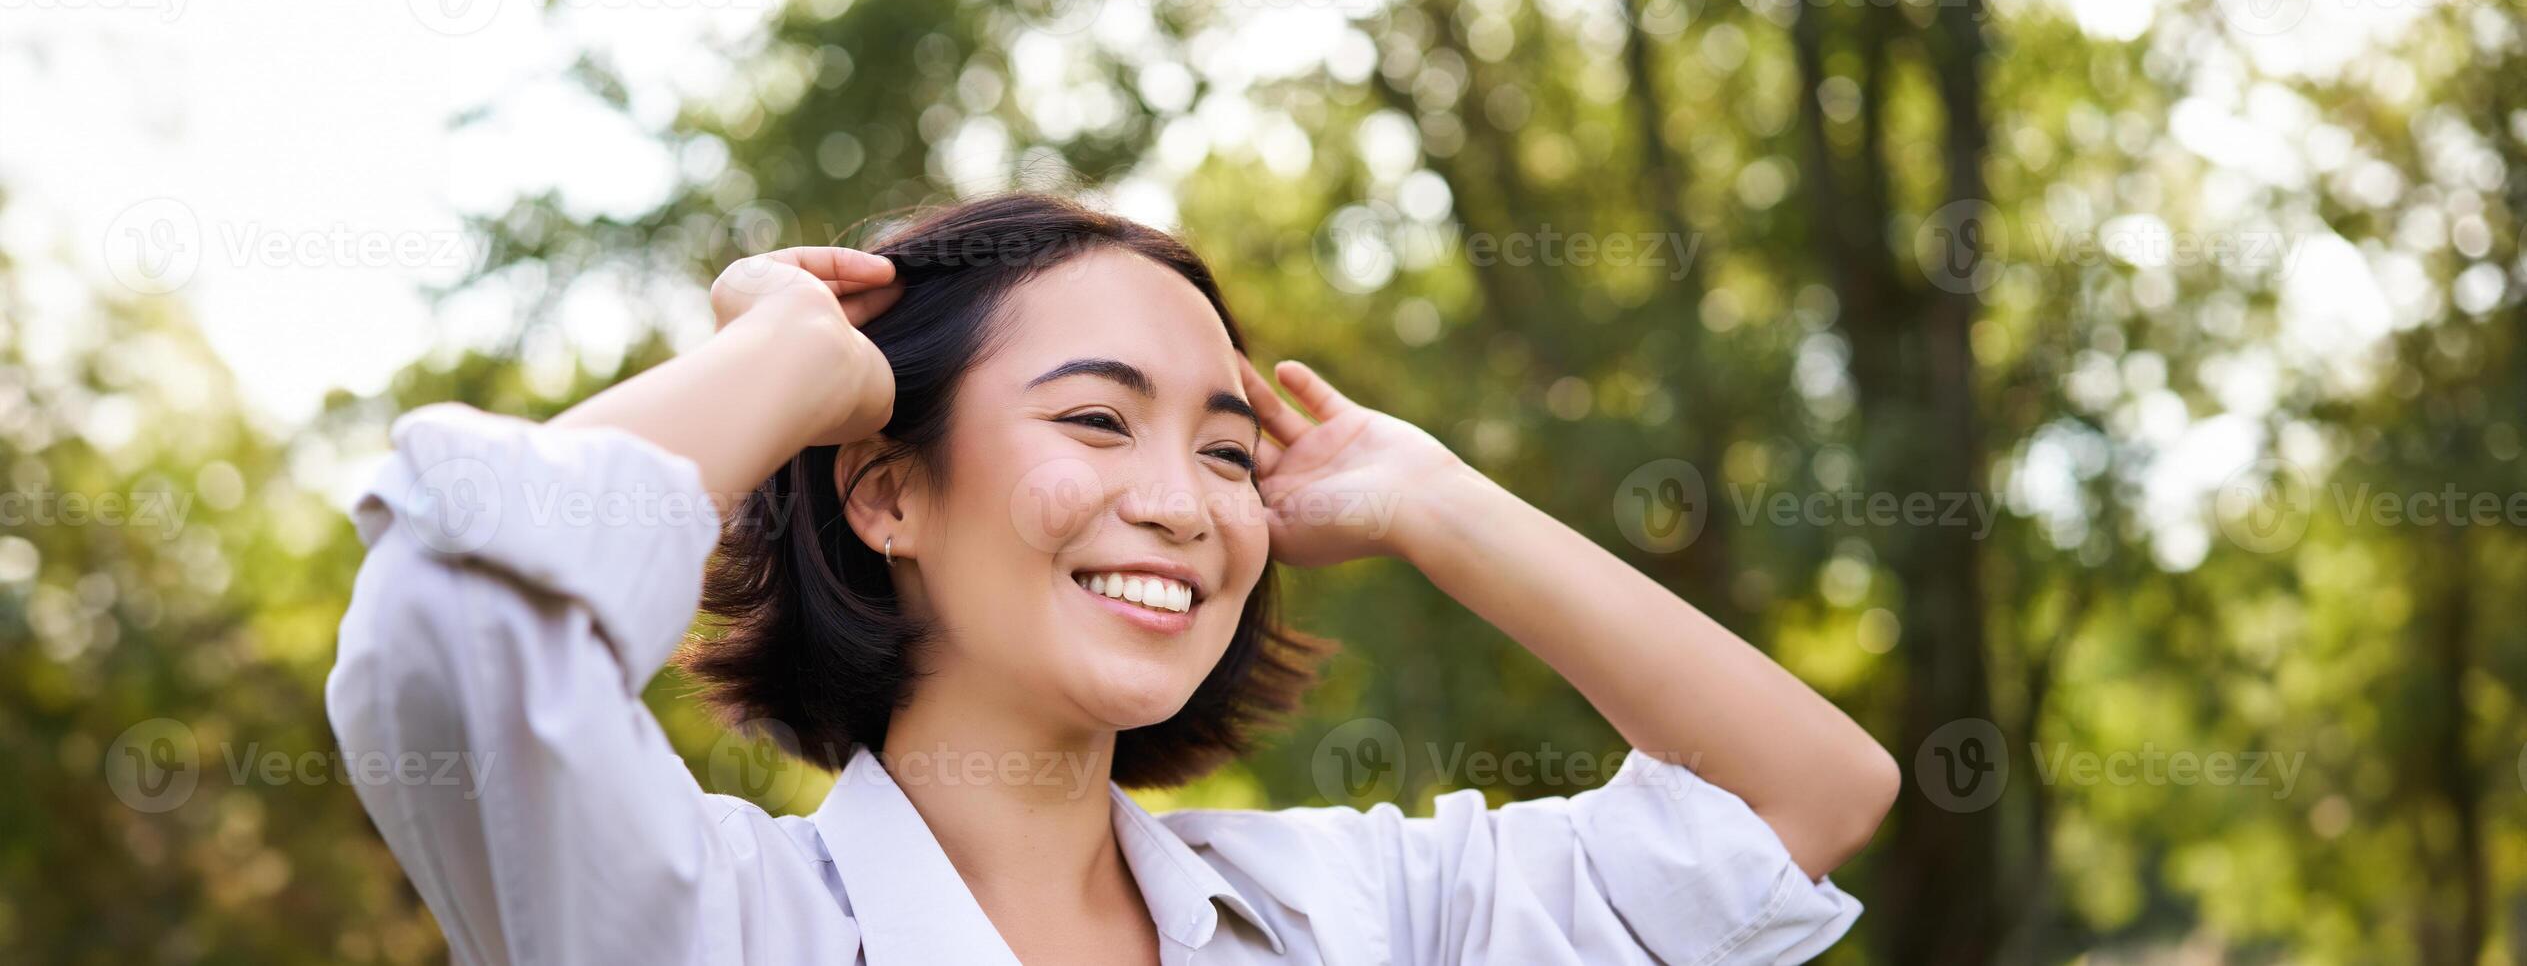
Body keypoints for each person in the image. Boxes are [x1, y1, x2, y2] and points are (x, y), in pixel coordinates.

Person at [326, 193, 1898, 965]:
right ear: (886, 492)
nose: (1181, 506)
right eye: (1094, 419)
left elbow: (1796, 802)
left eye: (1227, 452)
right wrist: (780, 362)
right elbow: (451, 620)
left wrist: (1436, 500)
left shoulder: (1350, 917)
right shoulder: (706, 921)